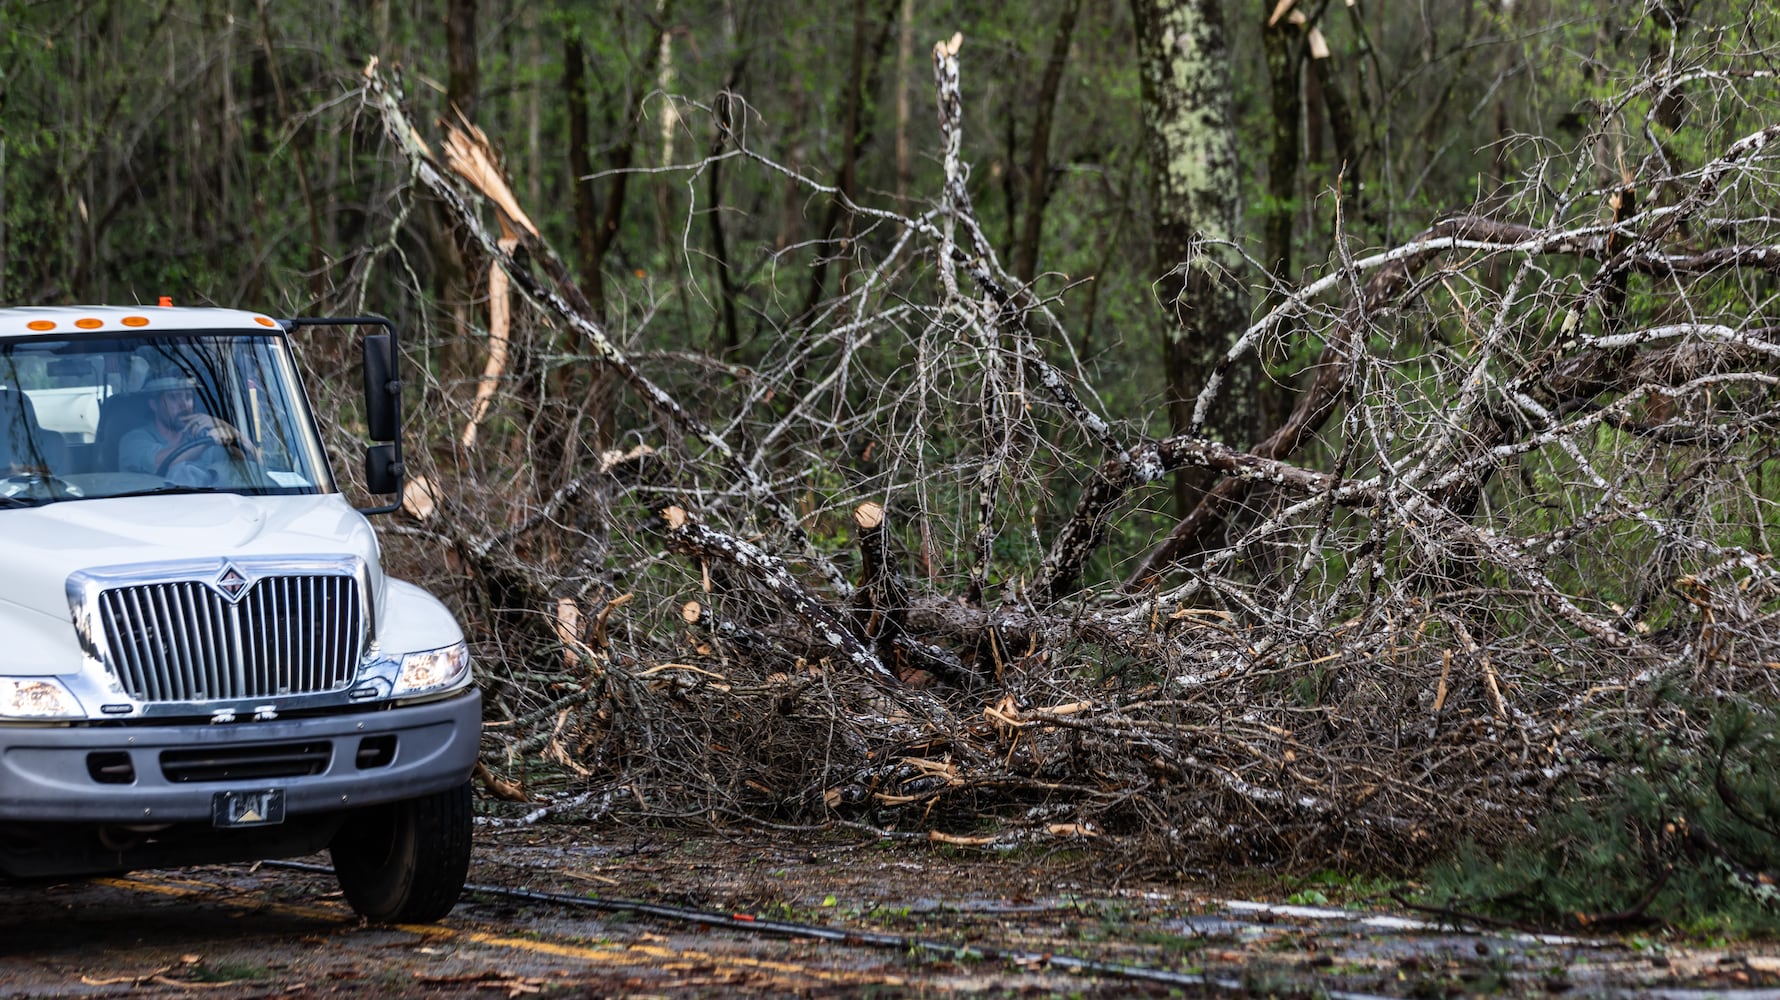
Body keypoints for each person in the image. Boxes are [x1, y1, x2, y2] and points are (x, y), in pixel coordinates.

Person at [119, 375, 258, 484]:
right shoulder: (133, 440)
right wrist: (206, 441)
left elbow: (254, 468)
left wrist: (226, 428)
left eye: (188, 397)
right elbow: (161, 462)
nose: (184, 404)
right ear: (154, 404)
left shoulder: (204, 435)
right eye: (174, 397)